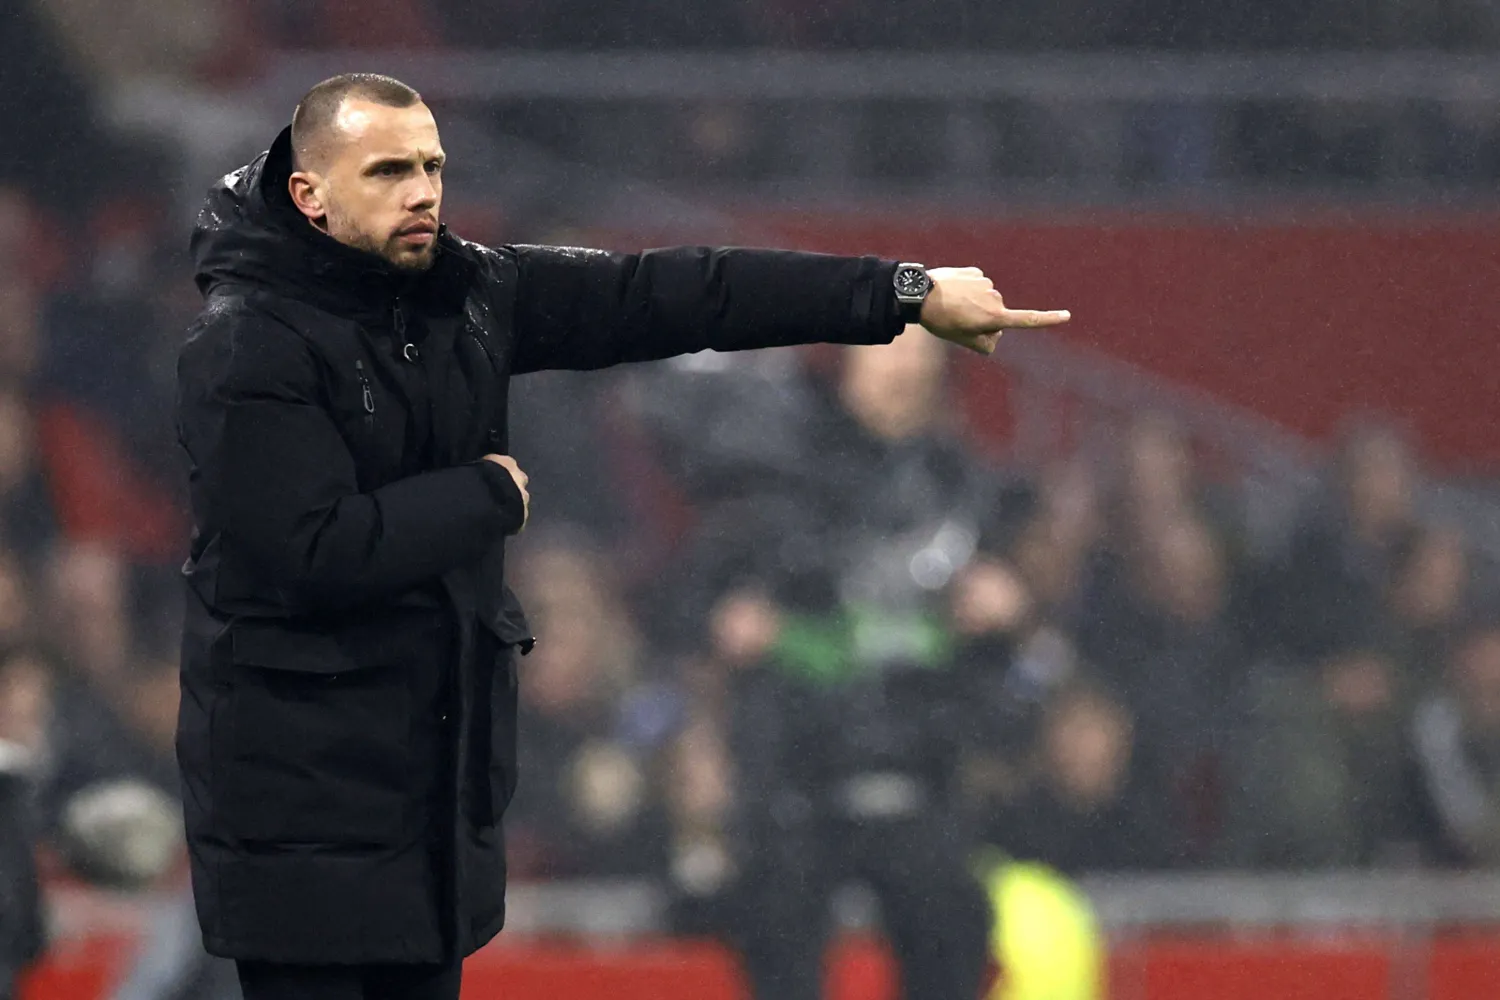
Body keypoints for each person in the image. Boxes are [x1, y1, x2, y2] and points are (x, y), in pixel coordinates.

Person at [174, 72, 1069, 1000]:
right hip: (297, 791)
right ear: (310, 196)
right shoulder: (247, 346)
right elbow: (307, 551)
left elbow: (685, 292)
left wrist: (900, 292)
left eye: (432, 167)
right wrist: (475, 499)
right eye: (388, 170)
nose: (422, 192)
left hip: (425, 787)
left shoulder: (475, 293)